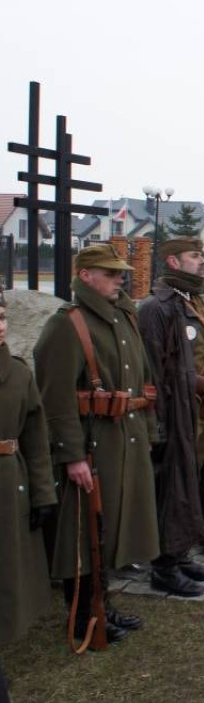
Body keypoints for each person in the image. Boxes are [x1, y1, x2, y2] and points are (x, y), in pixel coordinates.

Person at [35, 244, 160, 642]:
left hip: (125, 439)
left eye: (120, 272)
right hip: (91, 445)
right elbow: (55, 400)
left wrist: (149, 431)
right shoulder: (67, 324)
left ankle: (101, 604)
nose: (120, 278)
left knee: (109, 528)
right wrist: (71, 456)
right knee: (82, 532)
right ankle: (81, 614)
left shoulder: (121, 318)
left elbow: (143, 381)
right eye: (109, 273)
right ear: (85, 275)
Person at [138, 237, 204, 597]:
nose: (203, 261)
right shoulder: (157, 306)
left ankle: (180, 554)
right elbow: (152, 370)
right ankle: (163, 567)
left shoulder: (191, 300)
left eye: (201, 255)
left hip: (202, 410)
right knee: (171, 487)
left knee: (191, 483)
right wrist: (160, 421)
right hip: (177, 412)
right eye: (195, 256)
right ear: (173, 261)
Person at [0, 286, 56, 675]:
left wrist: (42, 494)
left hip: (7, 483)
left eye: (2, 318)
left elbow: (36, 441)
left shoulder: (18, 374)